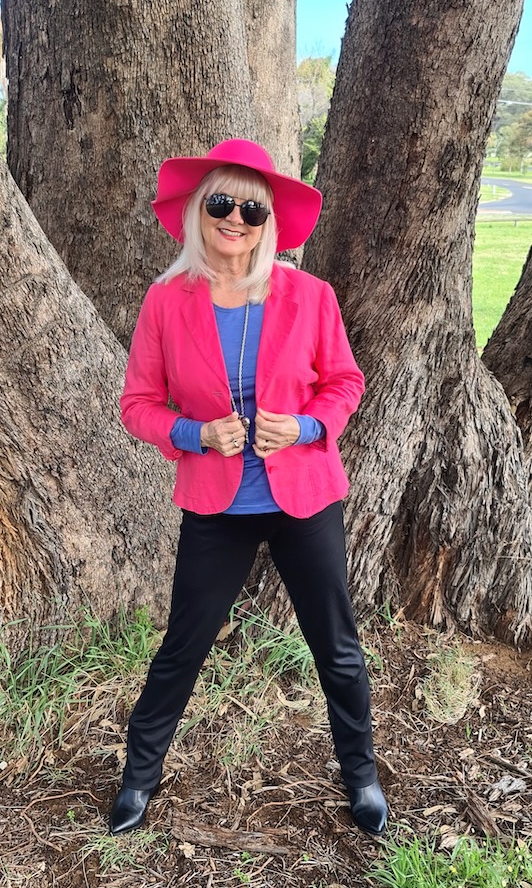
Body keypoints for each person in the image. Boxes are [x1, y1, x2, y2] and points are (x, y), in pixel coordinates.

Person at [110, 138, 388, 838]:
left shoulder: (310, 295)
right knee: (184, 645)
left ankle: (360, 774)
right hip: (217, 505)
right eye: (221, 203)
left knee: (338, 646)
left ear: (269, 222)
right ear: (198, 213)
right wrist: (193, 435)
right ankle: (139, 778)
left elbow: (345, 384)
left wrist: (301, 426)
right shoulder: (166, 302)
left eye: (251, 208)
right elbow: (138, 403)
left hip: (305, 500)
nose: (235, 218)